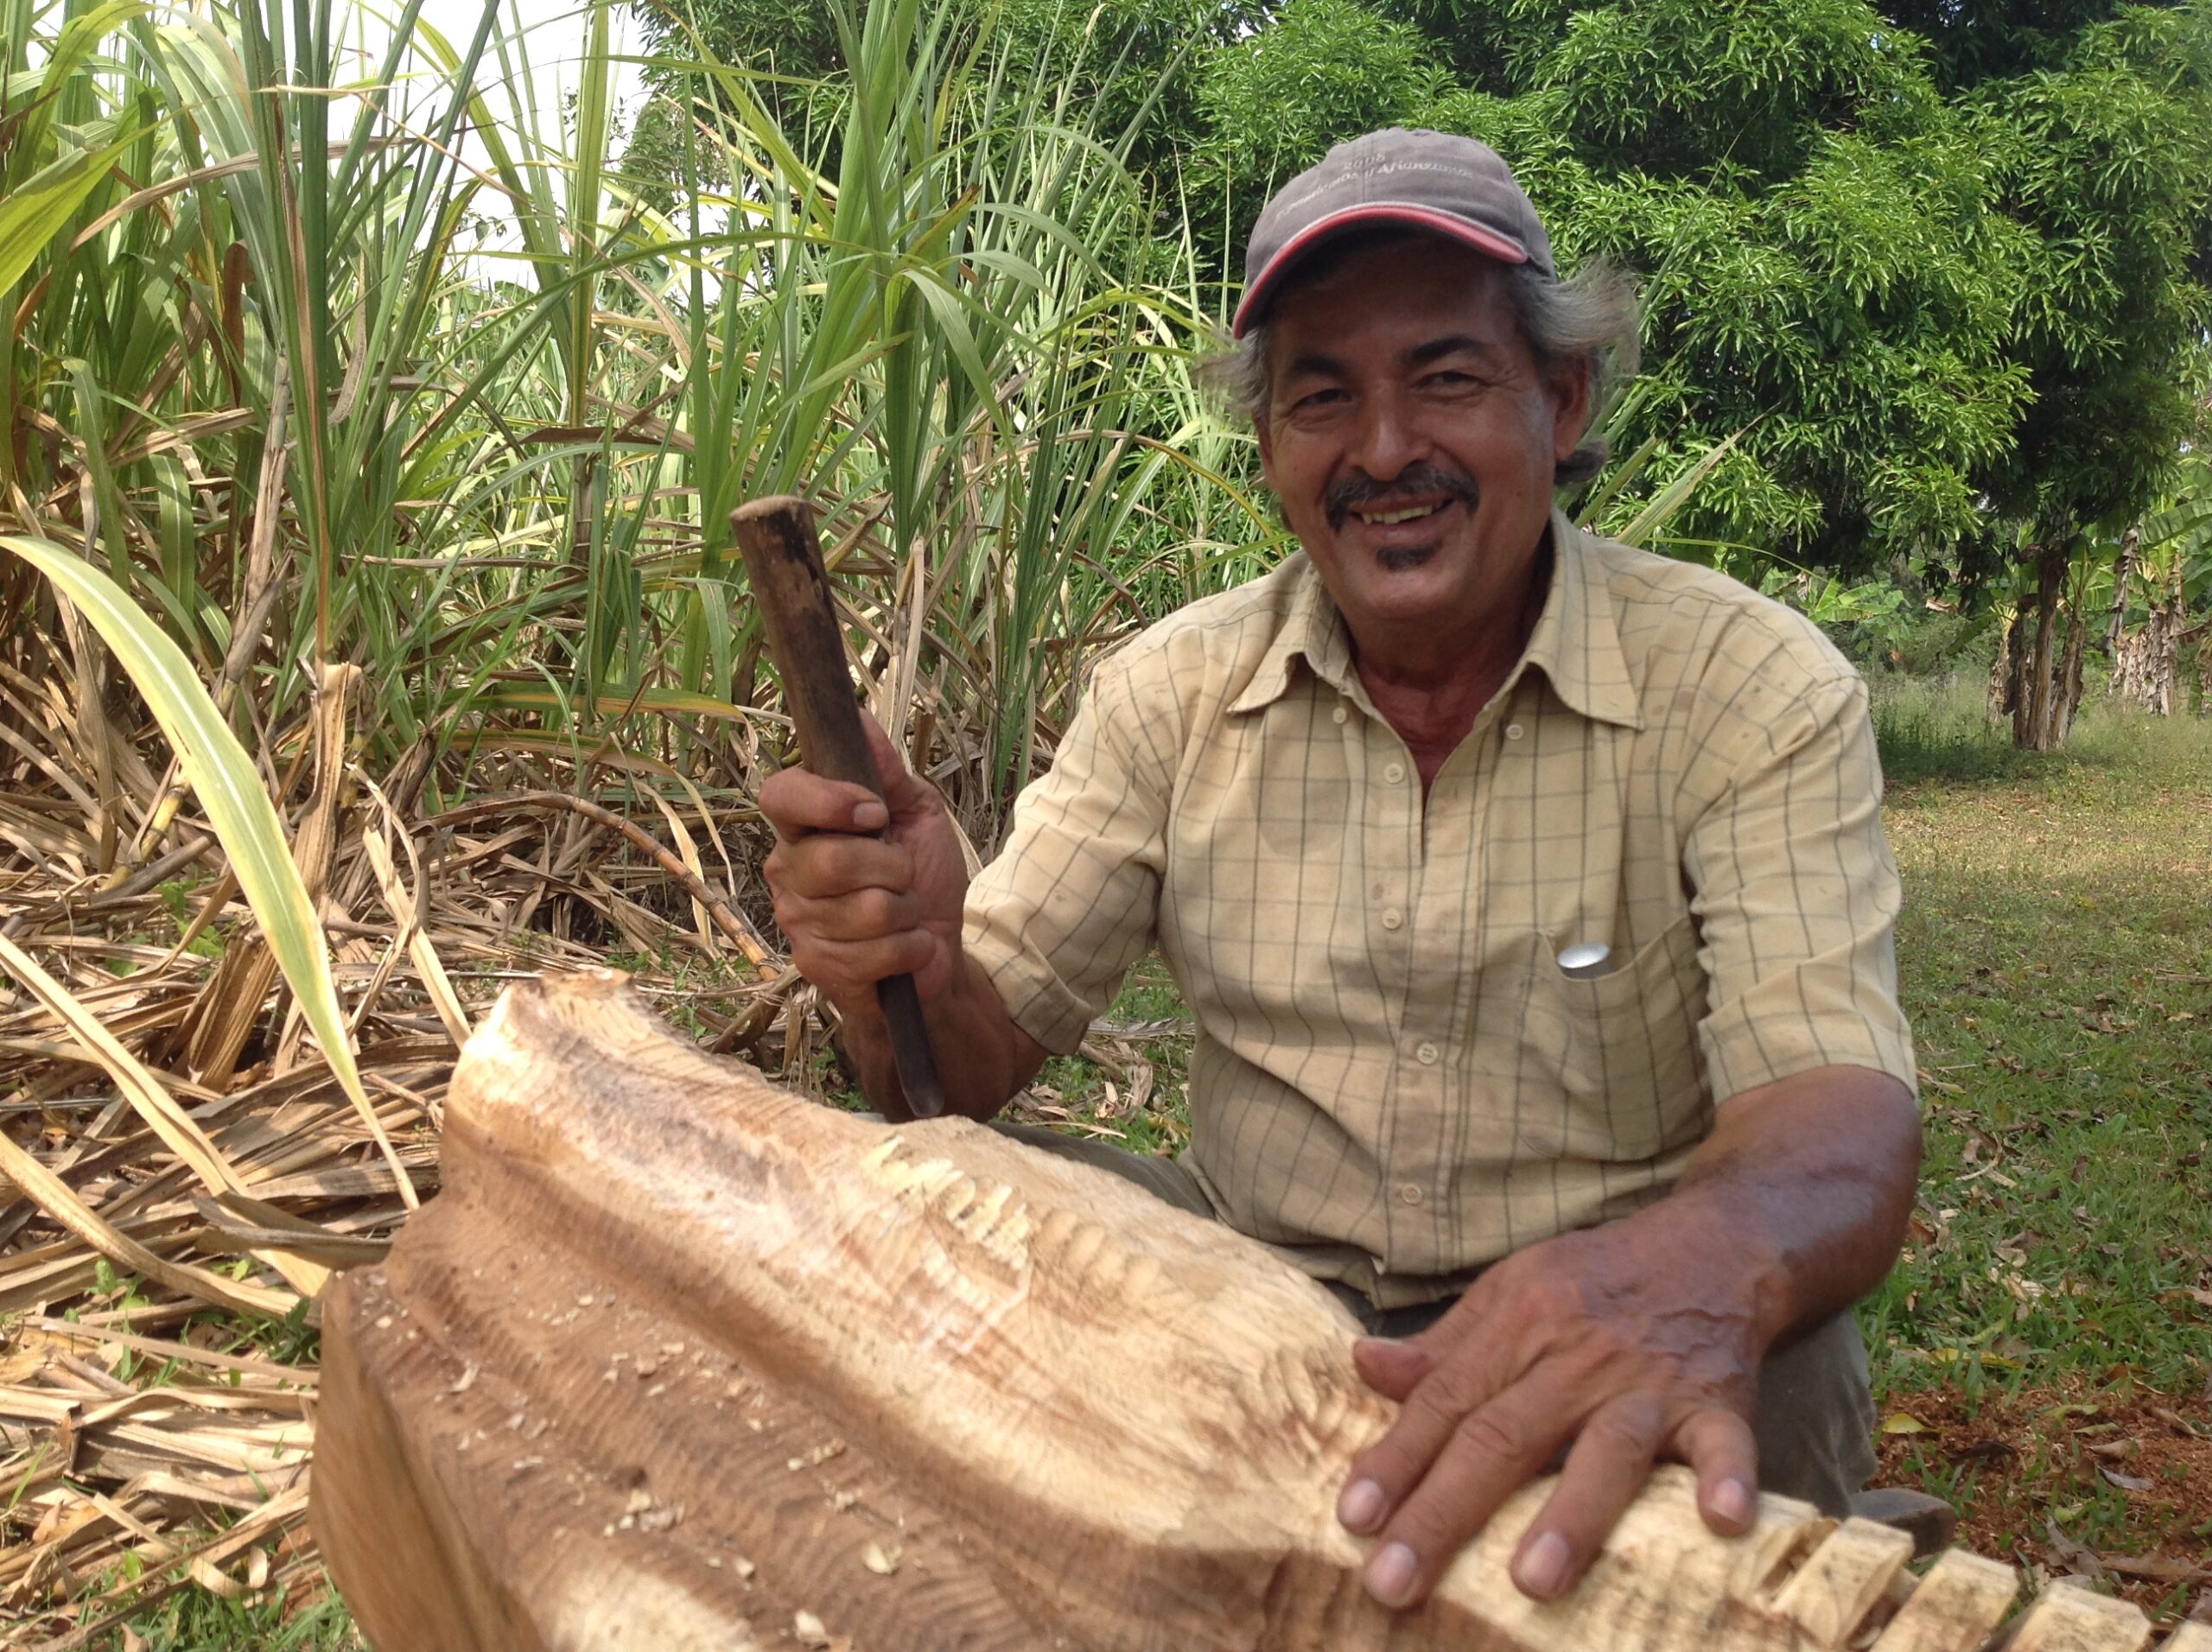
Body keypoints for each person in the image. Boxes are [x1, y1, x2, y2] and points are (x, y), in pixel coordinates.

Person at [759, 128, 1921, 1613]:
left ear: (1559, 402)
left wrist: (1679, 1270)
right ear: (1269, 449)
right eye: (1323, 396)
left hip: (1594, 1301)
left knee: (1777, 1338)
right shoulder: (1174, 692)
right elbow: (961, 1069)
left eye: (1445, 378)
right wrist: (907, 962)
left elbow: (1837, 1128)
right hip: (1258, 1297)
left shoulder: (1748, 686)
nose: (1384, 453)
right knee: (933, 1199)